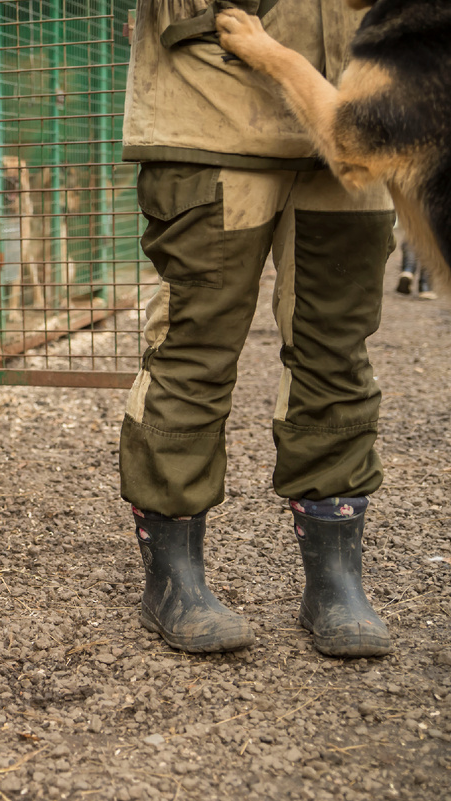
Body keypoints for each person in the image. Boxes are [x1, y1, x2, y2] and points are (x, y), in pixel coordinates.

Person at [119, 0, 394, 658]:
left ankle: (335, 578)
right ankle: (172, 577)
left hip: (358, 117)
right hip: (210, 107)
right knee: (195, 347)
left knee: (337, 350)